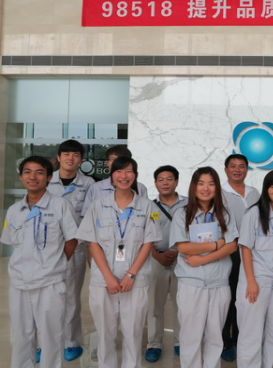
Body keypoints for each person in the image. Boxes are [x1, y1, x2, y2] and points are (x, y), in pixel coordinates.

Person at [76, 156, 161, 368]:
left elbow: (148, 243)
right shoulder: (98, 205)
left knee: (133, 332)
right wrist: (108, 277)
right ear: (112, 176)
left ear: (136, 175)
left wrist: (131, 275)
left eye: (129, 171)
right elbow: (92, 243)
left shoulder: (148, 207)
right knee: (105, 334)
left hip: (135, 280)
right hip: (103, 281)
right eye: (119, 171)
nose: (124, 176)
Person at [1, 156, 79, 368]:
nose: (32, 177)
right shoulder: (14, 210)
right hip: (19, 283)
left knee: (51, 336)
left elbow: (72, 240)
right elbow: (12, 242)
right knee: (21, 335)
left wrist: (55, 264)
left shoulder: (60, 205)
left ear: (49, 177)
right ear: (21, 177)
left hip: (49, 283)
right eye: (27, 172)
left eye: (39, 172)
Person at [170, 166, 239, 368]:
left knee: (215, 337)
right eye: (201, 183)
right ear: (193, 186)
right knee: (190, 337)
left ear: (217, 187)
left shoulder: (225, 214)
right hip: (192, 284)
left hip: (219, 284)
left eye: (211, 183)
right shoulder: (182, 214)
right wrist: (216, 244)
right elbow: (183, 247)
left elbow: (232, 246)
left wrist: (202, 259)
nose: (206, 188)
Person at [44, 140, 94, 362]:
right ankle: (45, 342)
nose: (70, 158)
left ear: (81, 160)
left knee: (71, 297)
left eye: (75, 155)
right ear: (59, 157)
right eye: (66, 154)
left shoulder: (88, 184)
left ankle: (71, 342)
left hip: (76, 248)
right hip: (48, 249)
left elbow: (89, 216)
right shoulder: (47, 180)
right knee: (45, 297)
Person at [236, 170, 273, 368]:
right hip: (256, 282)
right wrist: (251, 282)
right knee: (251, 333)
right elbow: (245, 248)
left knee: (272, 333)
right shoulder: (254, 213)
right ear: (266, 189)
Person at [144, 165, 187, 362]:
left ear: (176, 182)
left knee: (182, 304)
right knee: (154, 305)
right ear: (155, 183)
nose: (165, 183)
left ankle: (180, 342)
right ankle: (154, 344)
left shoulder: (189, 204)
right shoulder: (148, 206)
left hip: (182, 260)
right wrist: (156, 254)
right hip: (156, 259)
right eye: (161, 179)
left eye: (169, 179)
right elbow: (142, 235)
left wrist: (177, 251)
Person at [220, 154, 261, 362]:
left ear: (247, 169)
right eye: (233, 166)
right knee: (227, 297)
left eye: (241, 166)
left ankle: (238, 338)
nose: (237, 170)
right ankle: (225, 341)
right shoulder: (219, 193)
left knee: (242, 298)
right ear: (226, 169)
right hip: (228, 251)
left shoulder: (255, 193)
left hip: (251, 254)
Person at [81, 145, 148, 216]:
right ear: (107, 163)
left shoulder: (140, 188)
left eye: (121, 160)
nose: (117, 163)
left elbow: (146, 214)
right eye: (113, 159)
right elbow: (86, 216)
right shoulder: (96, 188)